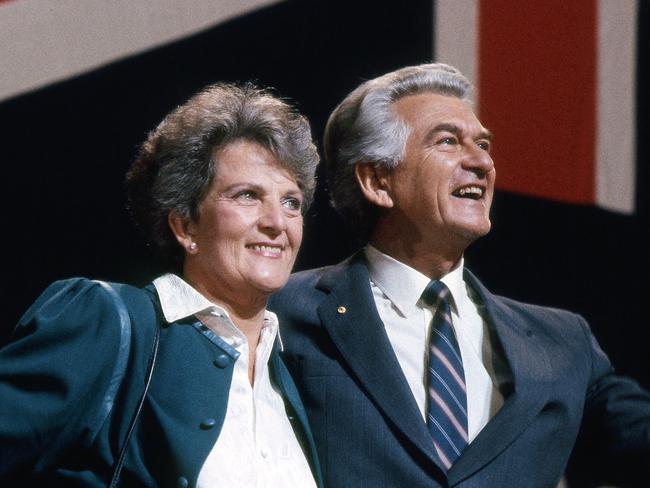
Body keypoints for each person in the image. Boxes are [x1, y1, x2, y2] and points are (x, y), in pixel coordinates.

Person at [269, 63, 650, 487]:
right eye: (448, 141)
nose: (482, 162)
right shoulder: (282, 312)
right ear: (378, 180)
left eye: (483, 144)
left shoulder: (562, 343)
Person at [0, 82, 323, 487]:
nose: (277, 222)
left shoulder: (291, 371)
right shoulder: (106, 320)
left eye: (291, 201)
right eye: (247, 196)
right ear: (185, 225)